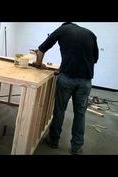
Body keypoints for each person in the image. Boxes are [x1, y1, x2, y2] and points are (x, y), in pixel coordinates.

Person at [34, 22, 99, 155]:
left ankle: (53, 141)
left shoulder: (62, 30)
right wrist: (62, 68)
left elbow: (40, 50)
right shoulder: (90, 33)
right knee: (80, 114)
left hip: (67, 79)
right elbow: (94, 59)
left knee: (59, 109)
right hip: (85, 81)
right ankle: (76, 147)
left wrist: (38, 65)